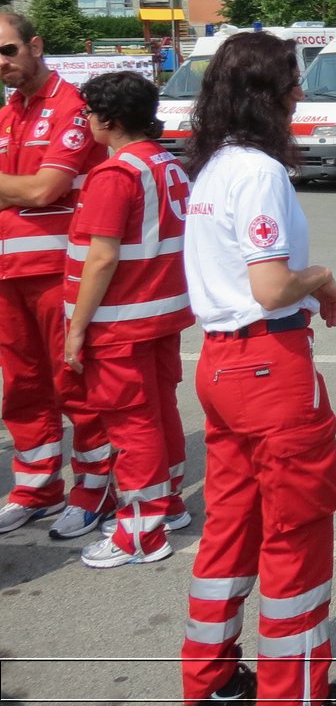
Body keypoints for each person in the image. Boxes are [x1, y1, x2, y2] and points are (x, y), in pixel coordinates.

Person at [179, 32, 336, 706]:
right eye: (292, 82)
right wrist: (319, 277)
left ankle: (210, 676)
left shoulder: (213, 168)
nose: (301, 94)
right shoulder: (258, 172)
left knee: (230, 528)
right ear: (268, 94)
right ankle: (294, 693)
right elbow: (269, 287)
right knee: (295, 534)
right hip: (266, 364)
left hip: (223, 368)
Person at [63, 72, 194, 568]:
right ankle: (170, 502)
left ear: (110, 119)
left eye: (89, 113)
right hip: (160, 314)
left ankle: (140, 530)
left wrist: (77, 327)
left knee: (130, 422)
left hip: (119, 321)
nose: (86, 121)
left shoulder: (115, 174)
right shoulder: (167, 163)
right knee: (159, 412)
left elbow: (101, 258)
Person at [0, 13, 113, 539]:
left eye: (8, 51)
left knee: (73, 383)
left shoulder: (71, 105)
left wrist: (19, 188)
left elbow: (45, 191)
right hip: (8, 273)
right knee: (21, 386)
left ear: (35, 45)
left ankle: (95, 485)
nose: (2, 64)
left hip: (55, 272)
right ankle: (36, 486)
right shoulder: (9, 112)